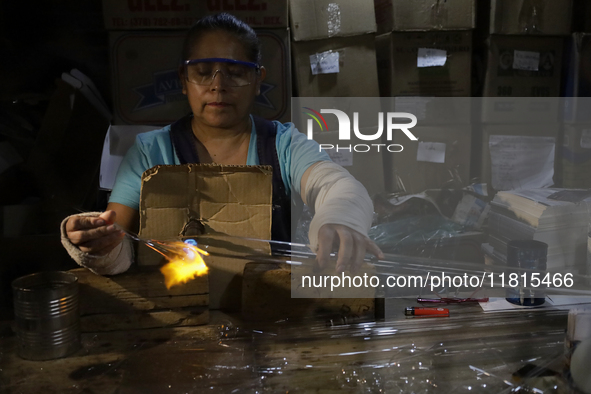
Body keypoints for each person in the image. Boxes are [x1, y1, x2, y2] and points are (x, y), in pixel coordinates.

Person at [60, 13, 383, 276]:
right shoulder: (150, 152)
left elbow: (336, 185)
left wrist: (341, 215)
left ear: (258, 80)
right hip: (175, 313)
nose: (218, 86)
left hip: (266, 309)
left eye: (235, 73)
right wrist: (96, 243)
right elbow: (116, 238)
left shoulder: (282, 143)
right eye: (202, 73)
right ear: (183, 80)